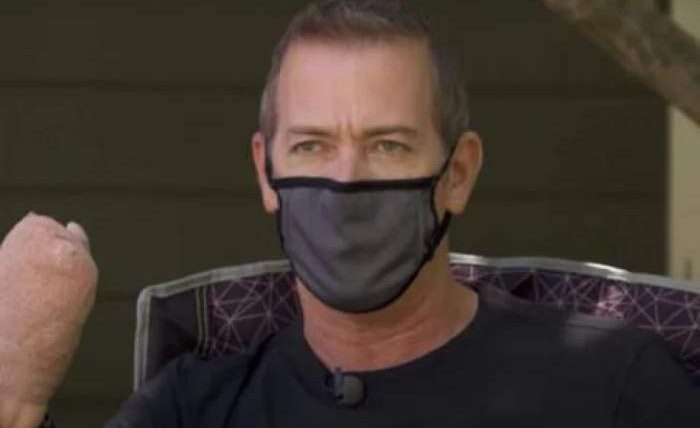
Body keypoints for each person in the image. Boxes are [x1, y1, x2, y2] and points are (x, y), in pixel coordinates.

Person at [0, 1, 698, 427]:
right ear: (266, 172)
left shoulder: (615, 385)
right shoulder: (191, 409)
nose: (345, 178)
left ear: (457, 174)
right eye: (311, 145)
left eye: (388, 145)